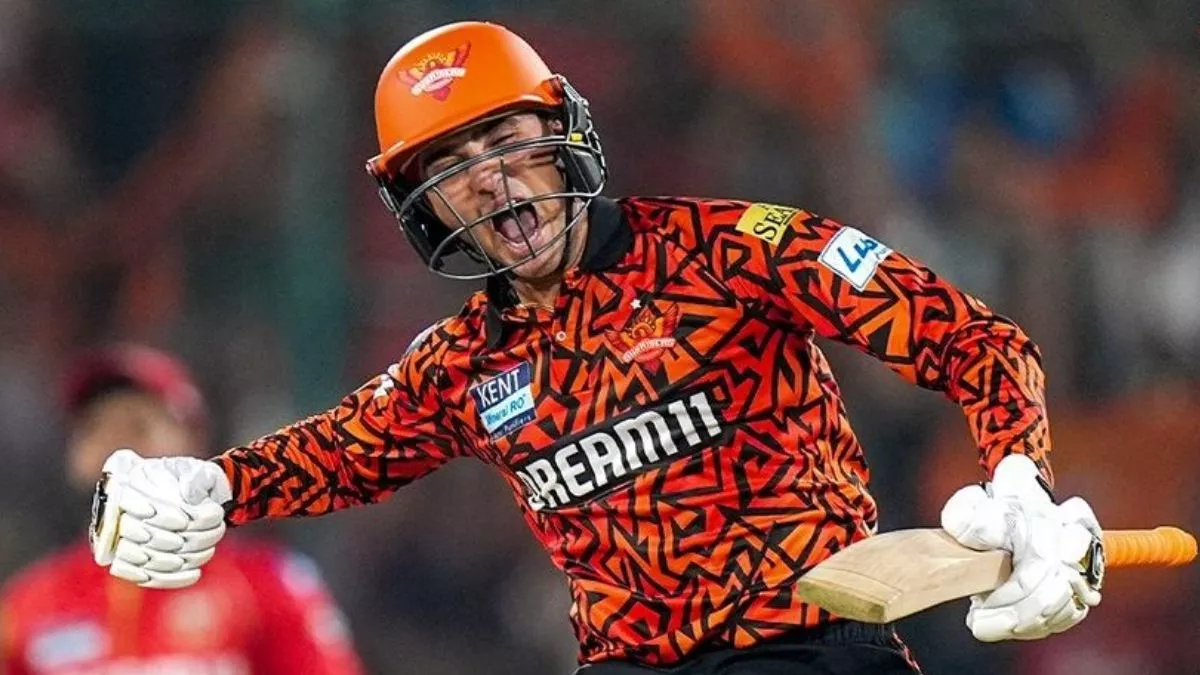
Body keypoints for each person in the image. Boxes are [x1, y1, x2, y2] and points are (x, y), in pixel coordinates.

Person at [84, 22, 1105, 675]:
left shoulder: (727, 248)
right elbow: (340, 450)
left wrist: (1021, 481)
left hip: (809, 649)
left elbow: (970, 338)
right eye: (451, 166)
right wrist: (211, 486)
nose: (490, 180)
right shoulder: (462, 364)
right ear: (424, 205)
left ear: (562, 135)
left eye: (505, 142)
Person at [1, 344, 364, 675]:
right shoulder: (27, 606)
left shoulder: (264, 583)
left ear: (192, 443)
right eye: (96, 429)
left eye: (138, 426)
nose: (116, 448)